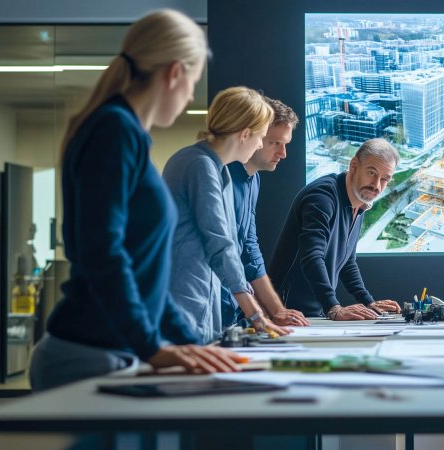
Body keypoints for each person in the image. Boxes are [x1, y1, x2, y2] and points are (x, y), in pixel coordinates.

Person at [31, 10, 242, 392]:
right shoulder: (114, 129)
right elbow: (104, 253)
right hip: (87, 353)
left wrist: (192, 345)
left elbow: (149, 283)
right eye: (193, 82)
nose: (191, 95)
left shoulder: (126, 133)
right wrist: (152, 347)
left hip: (112, 351)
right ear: (175, 72)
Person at [163, 86, 290, 343]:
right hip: (185, 299)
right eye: (261, 137)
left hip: (205, 303)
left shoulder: (219, 170)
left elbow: (233, 245)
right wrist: (256, 314)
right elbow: (220, 244)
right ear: (245, 134)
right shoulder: (198, 164)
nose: (258, 145)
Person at [268, 138, 402, 320]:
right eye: (372, 173)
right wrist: (333, 307)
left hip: (312, 313)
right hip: (283, 311)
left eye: (385, 179)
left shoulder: (359, 203)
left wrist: (368, 302)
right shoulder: (322, 198)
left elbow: (347, 262)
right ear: (354, 165)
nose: (377, 185)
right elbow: (312, 256)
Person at [221, 97, 311, 327]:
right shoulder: (222, 176)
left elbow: (249, 249)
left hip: (233, 303)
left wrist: (278, 311)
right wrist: (258, 313)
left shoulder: (254, 179)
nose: (283, 153)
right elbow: (221, 250)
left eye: (286, 144)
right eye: (274, 143)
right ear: (255, 135)